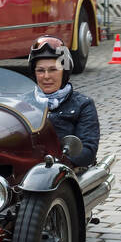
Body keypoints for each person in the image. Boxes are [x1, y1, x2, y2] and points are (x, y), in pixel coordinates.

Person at [28, 36, 99, 168]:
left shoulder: (82, 105)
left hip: (63, 172)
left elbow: (88, 149)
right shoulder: (24, 103)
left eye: (53, 70)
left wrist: (60, 162)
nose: (46, 76)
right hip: (24, 169)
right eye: (40, 70)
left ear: (64, 72)